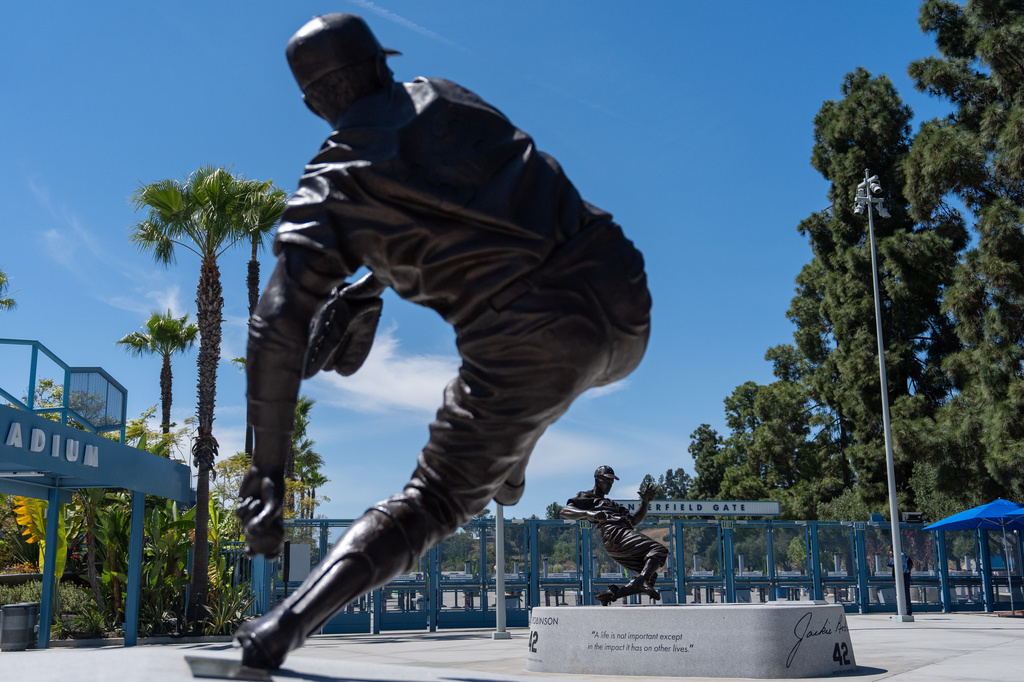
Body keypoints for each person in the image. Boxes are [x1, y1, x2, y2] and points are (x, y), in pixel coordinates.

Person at [233, 13, 651, 669]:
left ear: (315, 101)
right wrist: (368, 286)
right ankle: (509, 451)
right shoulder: (448, 93)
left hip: (530, 345)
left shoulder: (333, 182)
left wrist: (267, 472)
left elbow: (276, 323)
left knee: (433, 499)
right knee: (532, 385)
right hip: (622, 297)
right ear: (380, 64)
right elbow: (476, 207)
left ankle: (282, 628)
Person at [559, 466, 667, 605]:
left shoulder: (613, 504)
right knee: (659, 550)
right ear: (597, 479)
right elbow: (565, 511)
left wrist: (645, 503)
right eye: (607, 481)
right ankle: (640, 581)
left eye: (612, 482)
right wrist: (588, 514)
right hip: (614, 533)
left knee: (650, 575)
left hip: (622, 536)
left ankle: (614, 594)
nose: (610, 485)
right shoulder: (588, 497)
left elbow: (633, 521)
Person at [887, 545, 913, 615]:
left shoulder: (899, 555)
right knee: (901, 594)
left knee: (904, 593)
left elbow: (890, 563)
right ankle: (901, 610)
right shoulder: (901, 555)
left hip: (903, 576)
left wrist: (891, 557)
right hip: (902, 575)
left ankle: (907, 610)